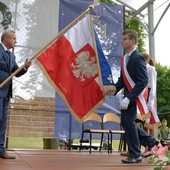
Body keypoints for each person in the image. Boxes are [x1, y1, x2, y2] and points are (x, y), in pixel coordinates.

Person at [107, 29, 159, 163]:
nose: (122, 41)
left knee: (128, 122)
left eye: (125, 39)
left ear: (132, 41)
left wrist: (129, 97)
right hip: (128, 97)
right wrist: (114, 89)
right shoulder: (125, 58)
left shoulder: (138, 57)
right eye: (122, 39)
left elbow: (143, 81)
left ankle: (135, 154)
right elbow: (122, 79)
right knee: (126, 122)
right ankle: (151, 142)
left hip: (135, 98)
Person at [0, 29, 31, 159]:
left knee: (2, 122)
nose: (16, 41)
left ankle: (0, 149)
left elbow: (16, 72)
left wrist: (25, 67)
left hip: (6, 93)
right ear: (6, 38)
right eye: (13, 38)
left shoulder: (12, 56)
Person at [143, 53, 161, 137]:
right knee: (144, 123)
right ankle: (146, 147)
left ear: (146, 59)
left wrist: (151, 101)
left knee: (150, 123)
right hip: (143, 95)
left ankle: (151, 146)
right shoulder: (142, 68)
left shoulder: (151, 69)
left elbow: (153, 85)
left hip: (149, 96)